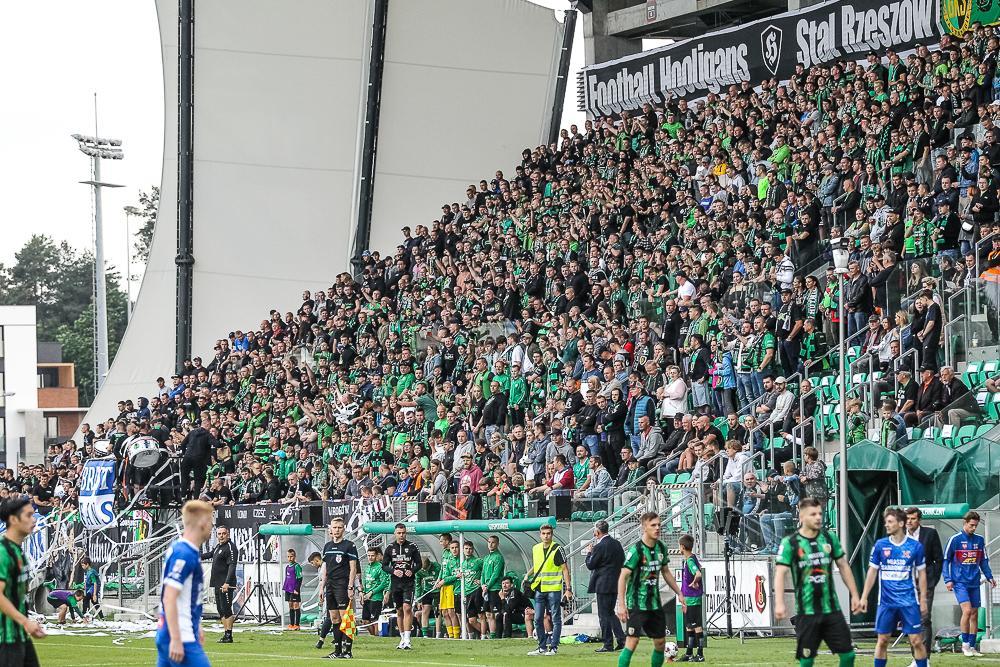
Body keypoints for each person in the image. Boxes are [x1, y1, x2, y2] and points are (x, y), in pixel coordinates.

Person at [774, 498, 862, 667]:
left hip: (832, 610)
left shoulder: (829, 538)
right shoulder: (790, 543)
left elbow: (843, 565)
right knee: (807, 659)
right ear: (802, 516)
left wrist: (855, 595)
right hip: (806, 612)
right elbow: (780, 573)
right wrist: (779, 603)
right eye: (813, 514)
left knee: (848, 655)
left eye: (820, 513)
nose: (818, 517)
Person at [859, 508, 928, 667]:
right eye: (886, 522)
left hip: (909, 601)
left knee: (916, 641)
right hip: (886, 602)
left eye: (890, 522)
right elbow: (872, 572)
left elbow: (922, 574)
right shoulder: (880, 545)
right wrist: (864, 597)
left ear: (901, 523)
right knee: (882, 640)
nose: (886, 525)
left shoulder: (915, 547)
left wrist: (923, 599)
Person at [615, 511, 685, 667]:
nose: (657, 528)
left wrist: (679, 593)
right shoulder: (636, 550)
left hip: (654, 604)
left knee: (660, 643)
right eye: (653, 525)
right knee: (632, 641)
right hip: (637, 604)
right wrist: (621, 604)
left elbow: (666, 572)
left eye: (659, 524)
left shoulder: (661, 547)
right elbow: (623, 576)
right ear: (644, 527)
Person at [156, 500, 214, 667]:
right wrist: (176, 638)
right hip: (181, 637)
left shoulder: (180, 548)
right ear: (202, 523)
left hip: (170, 632)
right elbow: (169, 597)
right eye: (210, 521)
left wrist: (198, 625)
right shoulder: (185, 553)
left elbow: (186, 597)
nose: (211, 527)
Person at [943, 510, 996, 657]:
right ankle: (965, 644)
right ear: (965, 523)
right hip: (960, 582)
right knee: (966, 611)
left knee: (974, 614)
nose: (973, 528)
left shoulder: (979, 540)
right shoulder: (955, 539)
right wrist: (947, 579)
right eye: (971, 525)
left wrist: (989, 576)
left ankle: (972, 646)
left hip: (974, 581)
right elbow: (946, 560)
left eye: (976, 526)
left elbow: (983, 560)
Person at [525, 523, 572, 656]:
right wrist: (527, 575)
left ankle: (554, 647)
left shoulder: (558, 548)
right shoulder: (536, 548)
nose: (546, 536)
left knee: (556, 618)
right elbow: (537, 565)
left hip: (553, 588)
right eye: (544, 533)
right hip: (539, 588)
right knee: (538, 618)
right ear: (540, 535)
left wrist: (568, 588)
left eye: (548, 533)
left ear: (552, 534)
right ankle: (541, 647)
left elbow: (565, 569)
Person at [320, 516, 360, 659]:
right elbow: (324, 569)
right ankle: (337, 651)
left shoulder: (349, 545)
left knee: (346, 618)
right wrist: (321, 588)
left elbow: (353, 568)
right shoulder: (327, 546)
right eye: (334, 527)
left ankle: (348, 651)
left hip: (342, 586)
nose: (336, 530)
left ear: (343, 529)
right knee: (334, 618)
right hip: (330, 585)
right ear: (330, 529)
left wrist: (351, 586)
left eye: (339, 527)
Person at [906, 507, 943, 655]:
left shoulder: (930, 534)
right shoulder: (899, 535)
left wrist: (933, 579)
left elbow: (939, 559)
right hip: (906, 584)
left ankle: (924, 658)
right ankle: (915, 657)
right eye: (907, 519)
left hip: (925, 582)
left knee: (924, 618)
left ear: (919, 520)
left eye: (913, 519)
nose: (909, 522)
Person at [585, 519, 625, 653]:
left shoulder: (599, 547)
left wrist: (589, 553)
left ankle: (608, 644)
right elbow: (622, 561)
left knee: (603, 615)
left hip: (603, 584)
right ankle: (621, 639)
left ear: (597, 532)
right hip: (615, 582)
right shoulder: (617, 544)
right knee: (610, 613)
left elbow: (591, 565)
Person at [381, 522, 421, 649]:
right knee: (399, 610)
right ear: (395, 534)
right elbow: (384, 565)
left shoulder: (413, 547)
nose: (401, 535)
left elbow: (419, 563)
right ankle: (402, 638)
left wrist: (412, 570)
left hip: (408, 583)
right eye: (399, 533)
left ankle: (408, 640)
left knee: (407, 608)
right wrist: (393, 571)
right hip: (395, 583)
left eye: (403, 533)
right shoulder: (390, 548)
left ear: (406, 533)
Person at [205, 525, 238, 643]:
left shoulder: (230, 547)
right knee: (220, 609)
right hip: (217, 583)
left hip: (225, 584)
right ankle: (225, 634)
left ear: (227, 534)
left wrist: (227, 583)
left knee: (226, 609)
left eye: (223, 533)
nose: (221, 536)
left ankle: (229, 635)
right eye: (219, 534)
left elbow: (232, 565)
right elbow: (209, 554)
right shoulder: (219, 546)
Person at [677, 534, 704, 662]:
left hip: (693, 598)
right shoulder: (690, 559)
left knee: (696, 625)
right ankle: (689, 653)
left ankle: (700, 654)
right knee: (689, 626)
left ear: (682, 547)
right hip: (688, 598)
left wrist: (694, 581)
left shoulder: (690, 560)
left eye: (679, 546)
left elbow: (698, 573)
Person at [479, 534, 506, 640]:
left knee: (494, 614)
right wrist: (482, 585)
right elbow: (483, 573)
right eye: (489, 542)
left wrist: (488, 586)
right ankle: (491, 636)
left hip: (495, 589)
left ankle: (495, 636)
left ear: (497, 544)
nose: (490, 544)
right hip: (486, 589)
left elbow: (495, 574)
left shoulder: (498, 557)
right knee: (488, 614)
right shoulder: (486, 557)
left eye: (493, 542)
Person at [434, 540, 461, 639]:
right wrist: (439, 580)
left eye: (456, 547)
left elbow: (456, 575)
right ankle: (450, 635)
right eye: (452, 548)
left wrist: (444, 580)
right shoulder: (446, 556)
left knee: (451, 612)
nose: (454, 550)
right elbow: (443, 570)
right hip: (443, 585)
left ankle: (456, 635)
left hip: (451, 586)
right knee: (444, 612)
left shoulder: (460, 560)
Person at [361, 546, 389, 637]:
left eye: (372, 555)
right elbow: (365, 582)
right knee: (365, 620)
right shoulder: (367, 567)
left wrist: (372, 592)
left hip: (376, 598)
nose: (370, 557)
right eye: (368, 555)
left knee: (375, 620)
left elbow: (384, 583)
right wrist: (363, 593)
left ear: (376, 556)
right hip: (367, 597)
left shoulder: (380, 567)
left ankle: (377, 636)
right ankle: (373, 636)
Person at [282, 549, 303, 630]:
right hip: (288, 589)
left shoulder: (297, 566)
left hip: (294, 590)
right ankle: (291, 624)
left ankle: (297, 624)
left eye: (291, 556)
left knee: (296, 605)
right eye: (288, 556)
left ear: (294, 556)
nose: (289, 558)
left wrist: (296, 589)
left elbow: (299, 578)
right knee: (290, 605)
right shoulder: (287, 567)